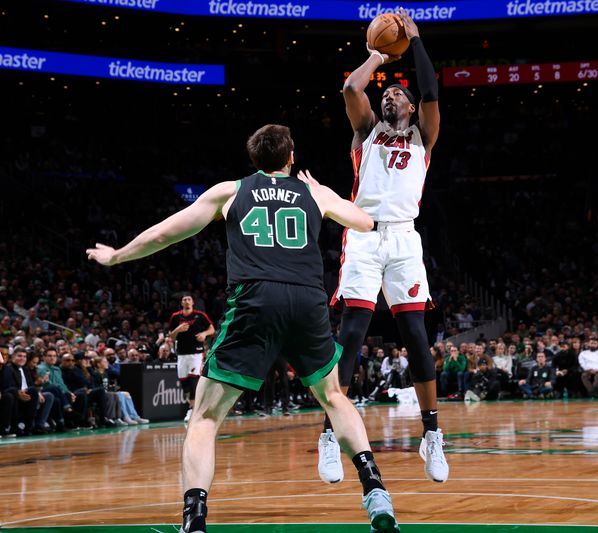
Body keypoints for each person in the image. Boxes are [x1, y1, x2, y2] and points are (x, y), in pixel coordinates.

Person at [86, 124, 400, 533]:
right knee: (334, 397)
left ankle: (194, 521)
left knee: (204, 416)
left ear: (253, 160)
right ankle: (375, 490)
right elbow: (364, 223)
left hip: (256, 299)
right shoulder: (314, 193)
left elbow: (166, 233)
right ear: (291, 158)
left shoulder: (230, 191)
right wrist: (325, 192)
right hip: (306, 300)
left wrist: (116, 256)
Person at [320, 8, 448, 485]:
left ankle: (431, 433)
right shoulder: (365, 132)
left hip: (404, 238)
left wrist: (414, 42)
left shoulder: (424, 136)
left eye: (398, 93)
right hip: (364, 233)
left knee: (415, 335)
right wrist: (375, 58)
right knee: (351, 331)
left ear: (411, 108)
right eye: (387, 94)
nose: (390, 95)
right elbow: (352, 90)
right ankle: (331, 433)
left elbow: (431, 90)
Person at [168, 294, 215, 422]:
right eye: (184, 300)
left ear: (193, 302)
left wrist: (204, 334)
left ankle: (192, 410)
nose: (187, 301)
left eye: (189, 299)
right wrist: (177, 329)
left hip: (196, 353)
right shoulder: (175, 317)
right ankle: (195, 407)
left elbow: (212, 329)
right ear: (181, 303)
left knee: (194, 379)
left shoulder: (200, 315)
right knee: (184, 383)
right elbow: (171, 336)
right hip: (182, 354)